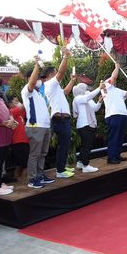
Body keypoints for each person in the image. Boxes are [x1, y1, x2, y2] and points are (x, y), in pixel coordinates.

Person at [42, 47, 76, 178]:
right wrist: (66, 56)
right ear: (51, 74)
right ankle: (60, 171)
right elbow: (61, 72)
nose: (58, 74)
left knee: (64, 145)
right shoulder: (50, 84)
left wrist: (72, 81)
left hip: (63, 119)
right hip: (59, 119)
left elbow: (66, 92)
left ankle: (61, 169)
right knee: (63, 146)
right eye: (55, 72)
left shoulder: (55, 87)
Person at [22, 58, 55, 189]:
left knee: (43, 153)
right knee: (35, 154)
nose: (41, 80)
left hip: (45, 127)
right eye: (37, 77)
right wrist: (36, 66)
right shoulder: (27, 91)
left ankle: (40, 175)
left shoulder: (39, 94)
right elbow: (32, 82)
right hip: (35, 127)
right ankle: (32, 179)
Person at [102, 63, 127, 164]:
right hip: (113, 115)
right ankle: (111, 157)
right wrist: (116, 68)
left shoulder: (117, 90)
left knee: (120, 136)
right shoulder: (105, 87)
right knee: (114, 136)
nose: (114, 81)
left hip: (121, 115)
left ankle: (117, 155)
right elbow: (114, 77)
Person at [72, 80, 104, 172]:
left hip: (89, 125)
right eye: (86, 89)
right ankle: (86, 166)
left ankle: (81, 162)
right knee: (87, 146)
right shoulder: (78, 98)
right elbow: (89, 96)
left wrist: (99, 102)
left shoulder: (86, 98)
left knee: (85, 145)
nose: (87, 90)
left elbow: (95, 108)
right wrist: (99, 88)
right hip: (84, 125)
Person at [7, 96, 29, 180]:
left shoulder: (20, 113)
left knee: (23, 164)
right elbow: (23, 106)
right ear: (10, 104)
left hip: (25, 140)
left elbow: (26, 110)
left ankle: (21, 180)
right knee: (21, 164)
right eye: (15, 101)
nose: (18, 102)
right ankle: (20, 182)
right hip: (17, 141)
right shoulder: (11, 112)